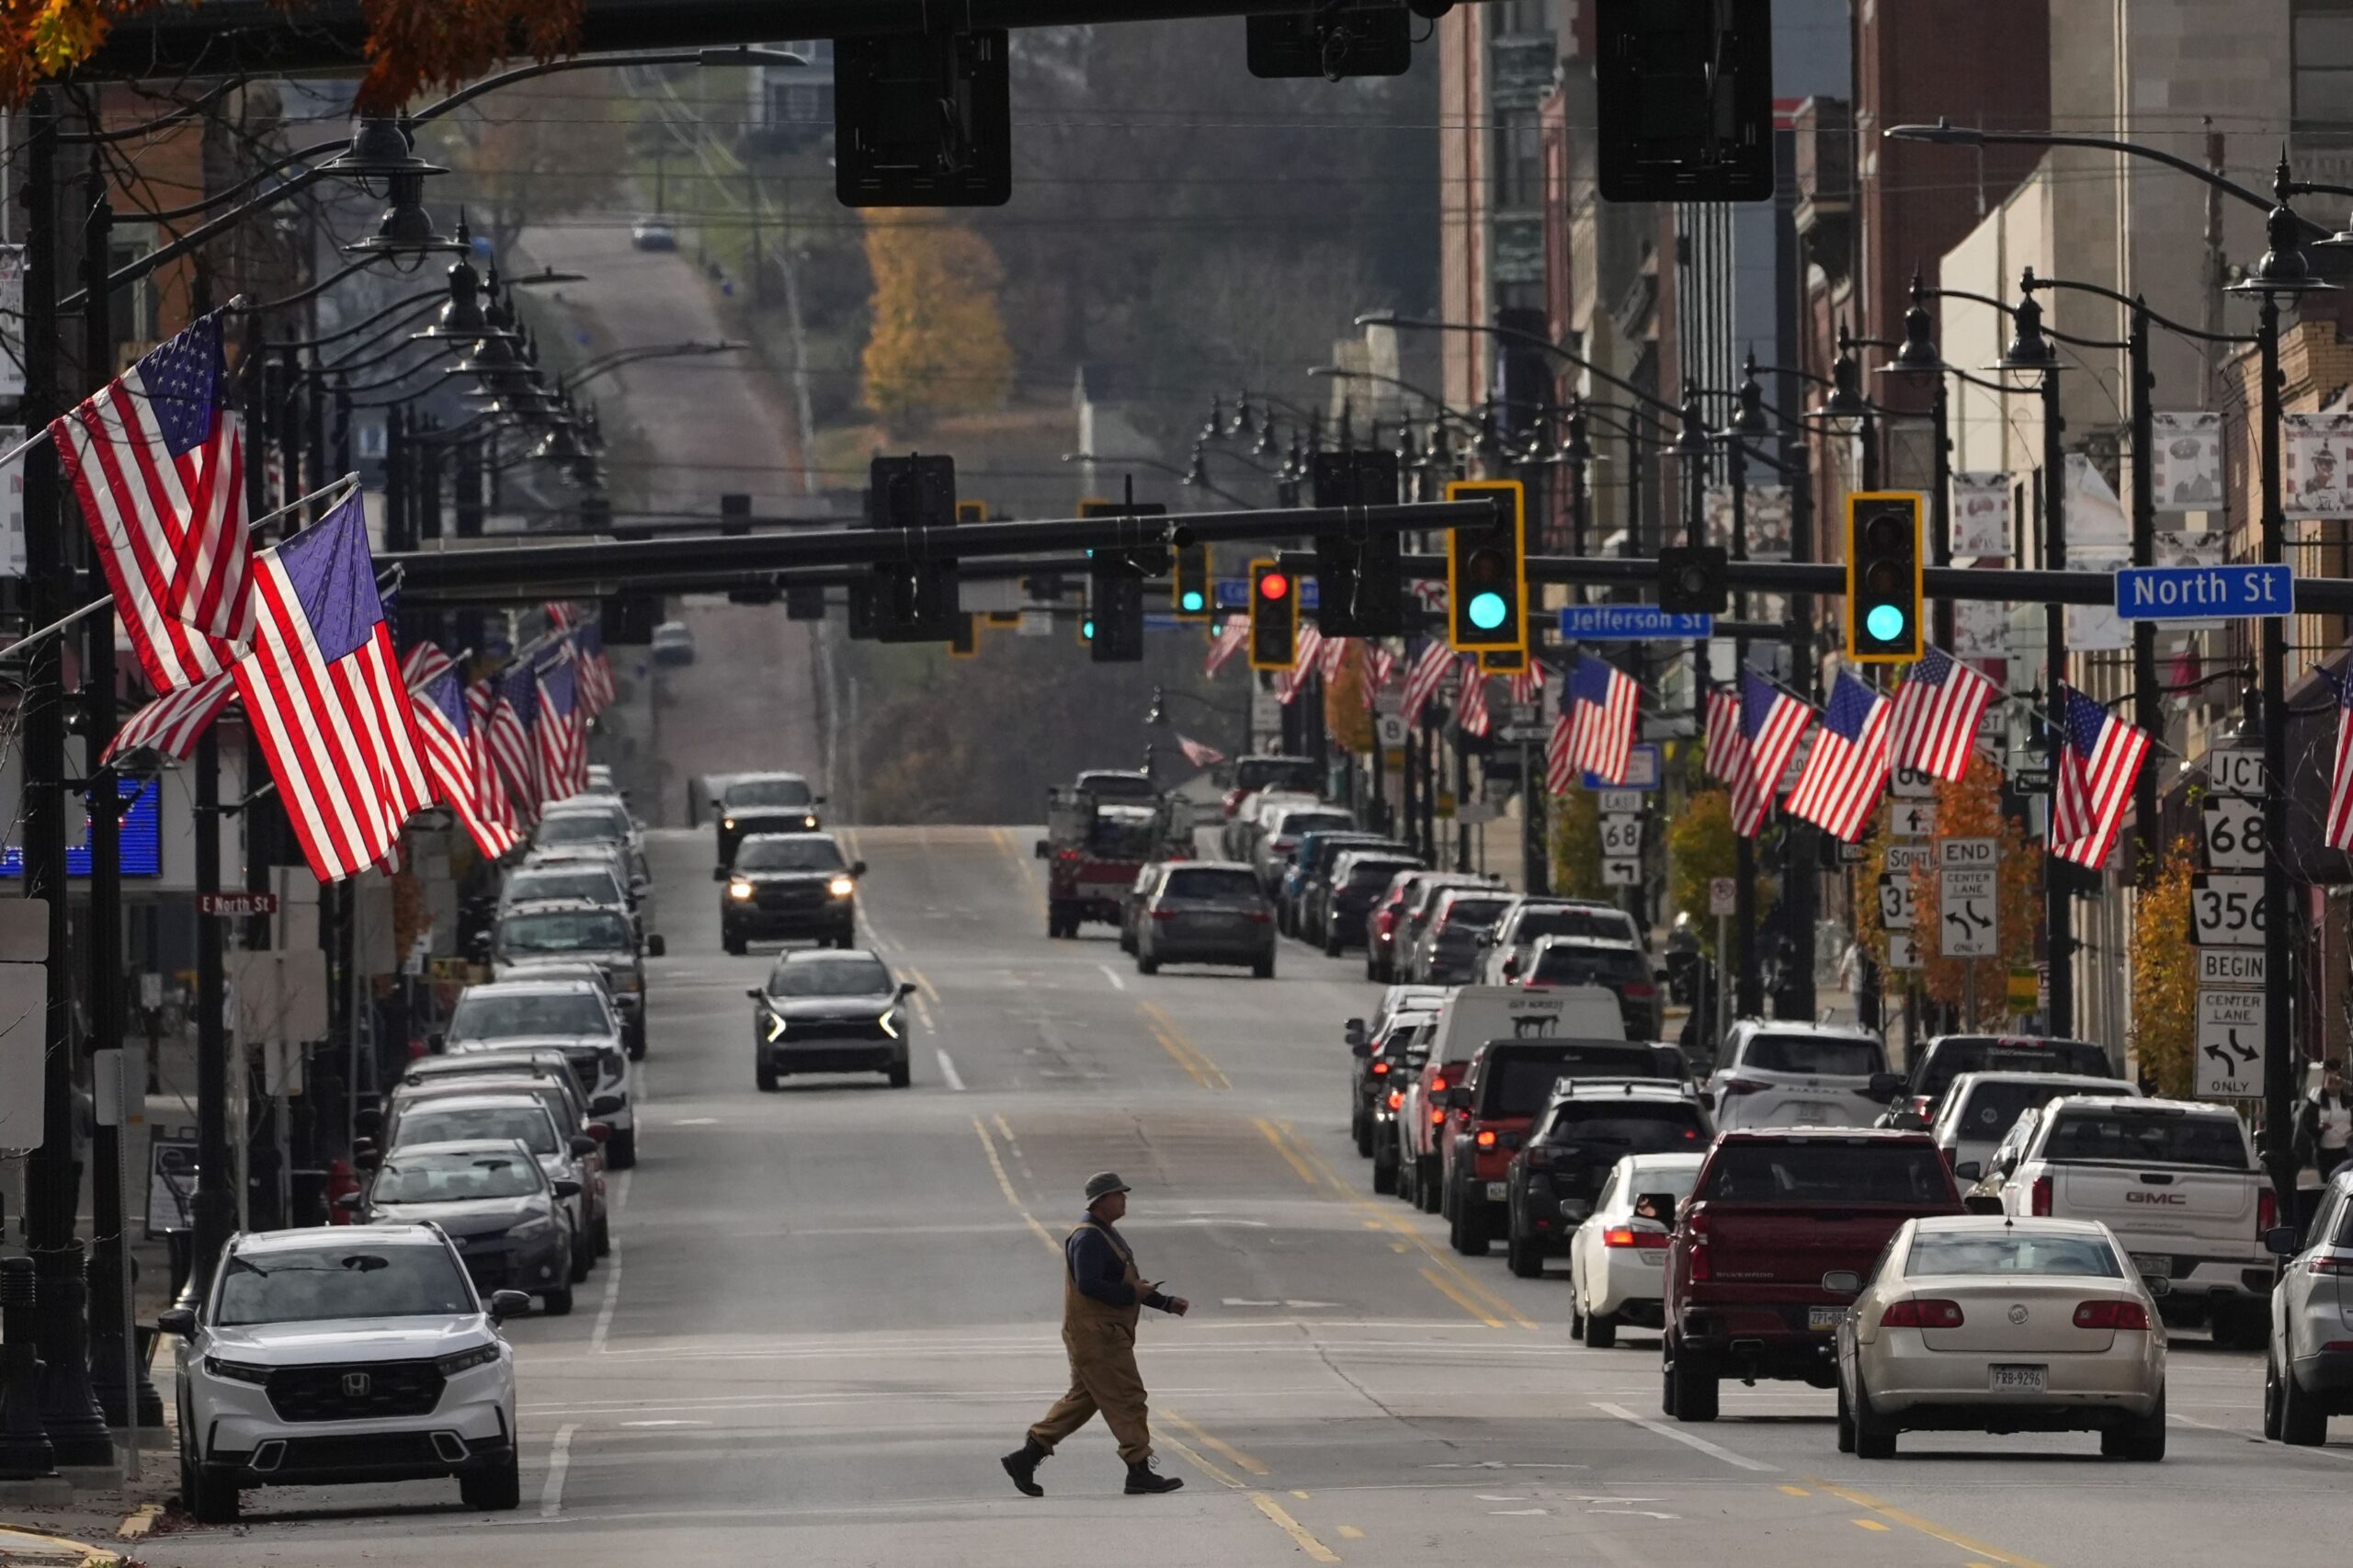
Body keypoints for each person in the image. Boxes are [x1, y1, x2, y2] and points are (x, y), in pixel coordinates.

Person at [1002, 1172, 1190, 1497]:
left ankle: (1027, 1456)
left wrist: (1165, 1303)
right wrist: (1133, 1294)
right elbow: (1090, 1285)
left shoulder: (1105, 1234)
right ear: (1101, 1200)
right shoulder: (1089, 1238)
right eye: (1119, 1195)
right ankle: (1139, 1469)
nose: (1124, 1200)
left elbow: (1129, 1285)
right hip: (1098, 1336)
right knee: (1127, 1398)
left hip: (1103, 1334)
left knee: (1083, 1400)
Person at [2296, 1061, 2353, 1184]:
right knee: (2328, 1182)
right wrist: (2318, 1127)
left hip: (2345, 1151)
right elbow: (2308, 1123)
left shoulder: (2348, 1102)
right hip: (2324, 1153)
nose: (2334, 1087)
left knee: (2343, 1181)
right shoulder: (2316, 1101)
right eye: (2330, 1082)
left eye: (2337, 1083)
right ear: (2324, 1083)